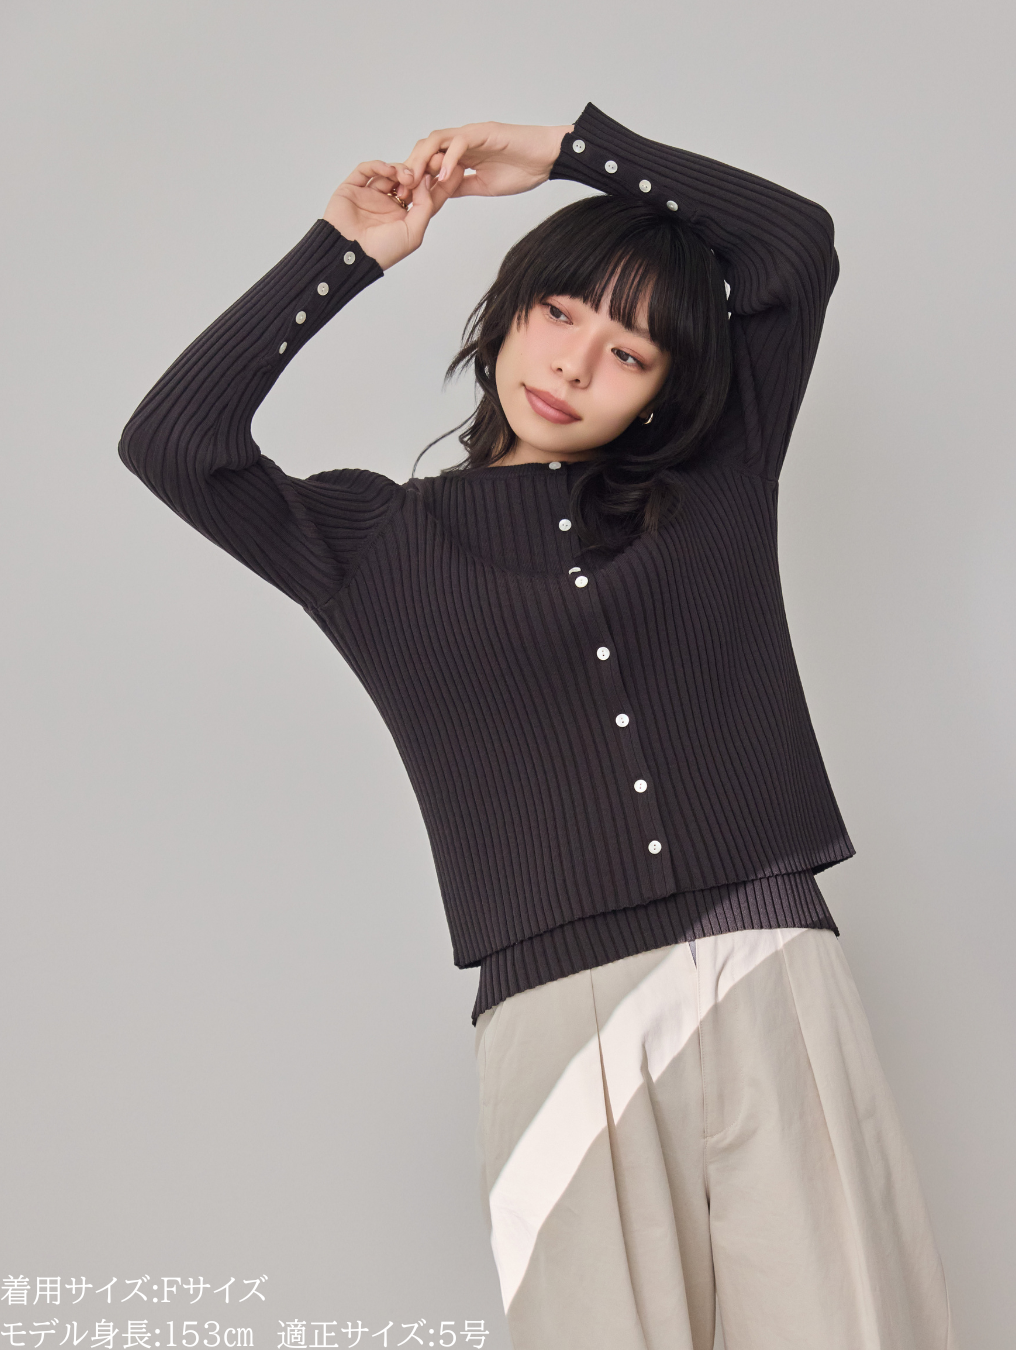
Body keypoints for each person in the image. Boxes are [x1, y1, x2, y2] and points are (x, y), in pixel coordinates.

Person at [120, 105, 958, 1350]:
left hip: (769, 975)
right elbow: (175, 443)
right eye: (559, 315)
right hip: (555, 1022)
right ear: (507, 316)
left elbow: (794, 245)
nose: (573, 366)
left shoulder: (720, 480)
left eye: (629, 352)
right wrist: (344, 252)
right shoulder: (370, 544)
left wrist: (565, 149)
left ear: (670, 389)